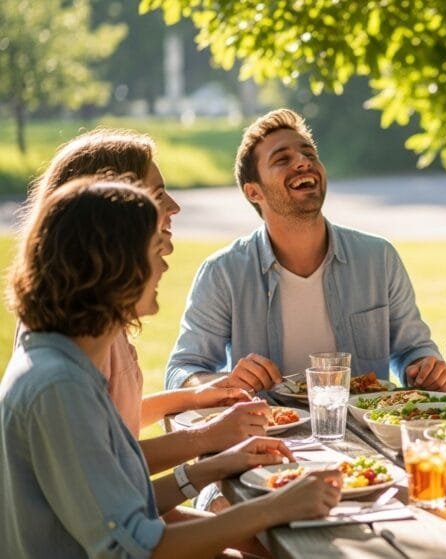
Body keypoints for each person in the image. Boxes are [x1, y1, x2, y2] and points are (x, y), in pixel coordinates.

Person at [1, 177, 341, 557]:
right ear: (113, 266)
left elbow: (129, 508)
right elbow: (134, 550)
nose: (165, 263)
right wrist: (274, 508)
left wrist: (216, 466)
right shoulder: (60, 388)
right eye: (154, 249)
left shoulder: (65, 365)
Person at [21, 129, 268, 475]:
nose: (174, 207)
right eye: (158, 195)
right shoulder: (70, 338)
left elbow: (107, 419)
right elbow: (100, 461)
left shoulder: (95, 311)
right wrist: (207, 438)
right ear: (112, 212)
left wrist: (195, 397)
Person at [165, 108, 446, 393]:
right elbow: (182, 372)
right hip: (267, 420)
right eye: (282, 159)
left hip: (363, 420)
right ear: (254, 192)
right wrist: (227, 382)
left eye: (309, 154)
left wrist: (424, 368)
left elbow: (413, 350)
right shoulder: (223, 273)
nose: (303, 162)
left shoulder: (379, 258)